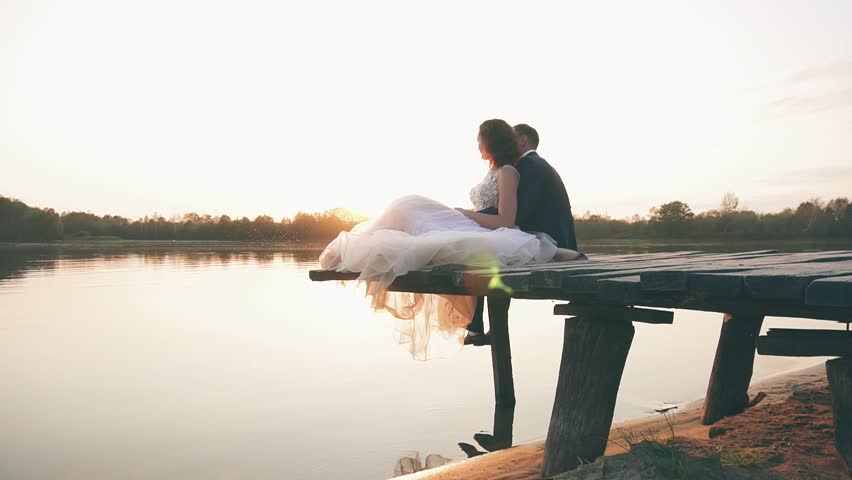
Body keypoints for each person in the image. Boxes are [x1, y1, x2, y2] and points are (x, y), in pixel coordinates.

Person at [318, 119, 580, 359]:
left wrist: (468, 216)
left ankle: (477, 326)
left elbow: (509, 220)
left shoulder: (516, 170)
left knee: (413, 210)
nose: (477, 144)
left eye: (480, 139)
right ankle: (476, 327)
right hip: (483, 225)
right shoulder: (500, 170)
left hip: (498, 229)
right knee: (409, 209)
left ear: (492, 140)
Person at [461, 123, 581, 346]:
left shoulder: (530, 166)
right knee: (487, 248)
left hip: (549, 238)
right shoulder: (523, 166)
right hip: (532, 233)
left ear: (522, 140)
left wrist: (472, 220)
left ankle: (483, 327)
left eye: (511, 137)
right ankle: (484, 327)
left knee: (490, 248)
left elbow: (516, 216)